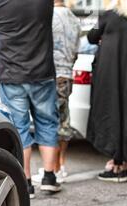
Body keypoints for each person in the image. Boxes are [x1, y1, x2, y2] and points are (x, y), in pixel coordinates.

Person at [0, 0, 61, 198]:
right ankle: (49, 178)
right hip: (42, 72)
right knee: (48, 122)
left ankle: (26, 182)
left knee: (19, 127)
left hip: (10, 74)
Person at [87, 0, 127, 182]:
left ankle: (115, 166)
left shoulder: (108, 15)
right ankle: (125, 164)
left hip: (110, 76)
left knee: (111, 114)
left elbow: (91, 37)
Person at [33, 0, 81, 184]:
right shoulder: (74, 19)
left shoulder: (49, 15)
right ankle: (60, 165)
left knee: (49, 122)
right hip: (68, 74)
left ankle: (52, 169)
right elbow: (76, 50)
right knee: (63, 120)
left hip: (51, 74)